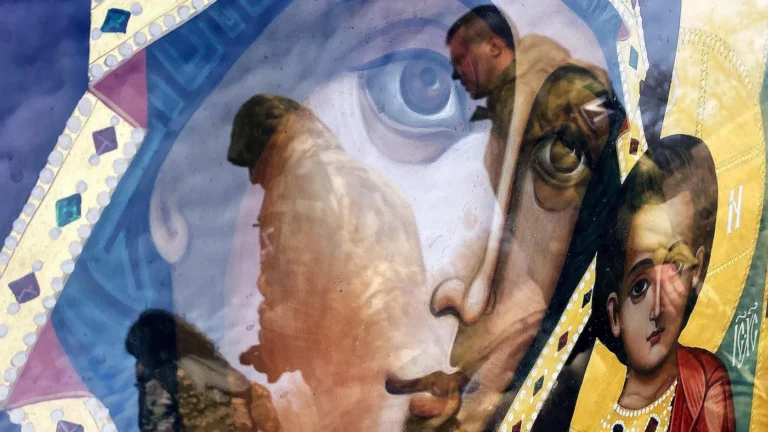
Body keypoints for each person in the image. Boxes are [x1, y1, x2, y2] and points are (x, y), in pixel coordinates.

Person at [385, 6, 625, 430]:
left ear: (495, 47)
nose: (456, 73)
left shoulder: (553, 94)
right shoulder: (492, 124)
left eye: (460, 59)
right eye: (435, 76)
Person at [228, 94, 430, 430]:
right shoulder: (369, 178)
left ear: (267, 145)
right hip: (413, 369)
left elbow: (296, 303)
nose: (253, 179)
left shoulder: (293, 190)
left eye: (252, 162)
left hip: (354, 387)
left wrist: (271, 352)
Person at [591, 145, 734, 432]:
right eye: (639, 287)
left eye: (675, 268)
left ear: (695, 271)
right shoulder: (591, 405)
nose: (657, 309)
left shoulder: (704, 383)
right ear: (615, 314)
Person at [125, 309, 280, 432]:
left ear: (149, 353)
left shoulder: (159, 383)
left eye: (138, 357)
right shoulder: (216, 369)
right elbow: (261, 401)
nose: (137, 366)